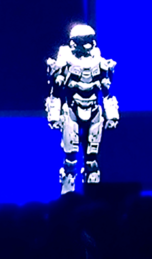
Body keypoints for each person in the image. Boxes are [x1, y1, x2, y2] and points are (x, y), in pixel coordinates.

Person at [45, 24, 119, 194]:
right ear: (73, 43)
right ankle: (68, 196)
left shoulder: (100, 63)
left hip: (94, 112)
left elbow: (107, 93)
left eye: (88, 40)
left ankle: (93, 197)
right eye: (81, 41)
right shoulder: (64, 63)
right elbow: (56, 93)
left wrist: (112, 115)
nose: (85, 45)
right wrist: (54, 115)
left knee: (92, 160)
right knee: (70, 160)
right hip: (72, 111)